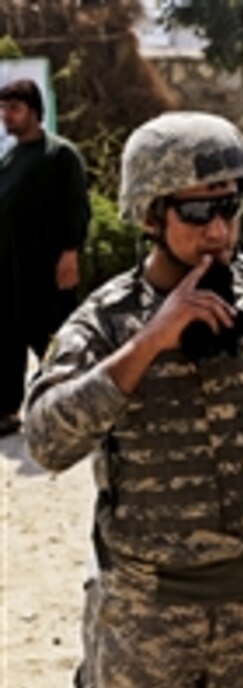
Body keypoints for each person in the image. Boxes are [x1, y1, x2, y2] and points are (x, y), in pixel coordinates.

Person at [23, 111, 243, 688]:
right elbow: (46, 441)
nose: (220, 229)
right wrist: (147, 345)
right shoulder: (107, 322)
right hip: (143, 621)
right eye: (197, 213)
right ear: (150, 215)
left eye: (231, 207)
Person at [0, 78, 89, 436]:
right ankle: (7, 412)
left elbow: (76, 207)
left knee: (56, 340)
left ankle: (72, 408)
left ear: (34, 112)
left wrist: (70, 252)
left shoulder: (60, 155)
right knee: (5, 343)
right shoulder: (9, 157)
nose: (6, 116)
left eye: (14, 108)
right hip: (8, 270)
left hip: (46, 269)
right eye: (3, 109)